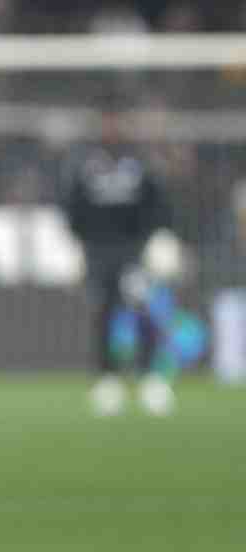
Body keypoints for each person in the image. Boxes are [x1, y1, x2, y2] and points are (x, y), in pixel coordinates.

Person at [64, 103, 173, 416]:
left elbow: (157, 201)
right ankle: (107, 379)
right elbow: (74, 205)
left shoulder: (139, 162)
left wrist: (150, 239)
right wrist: (83, 241)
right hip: (99, 251)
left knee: (142, 310)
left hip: (133, 249)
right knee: (103, 312)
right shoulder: (86, 163)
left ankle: (151, 378)